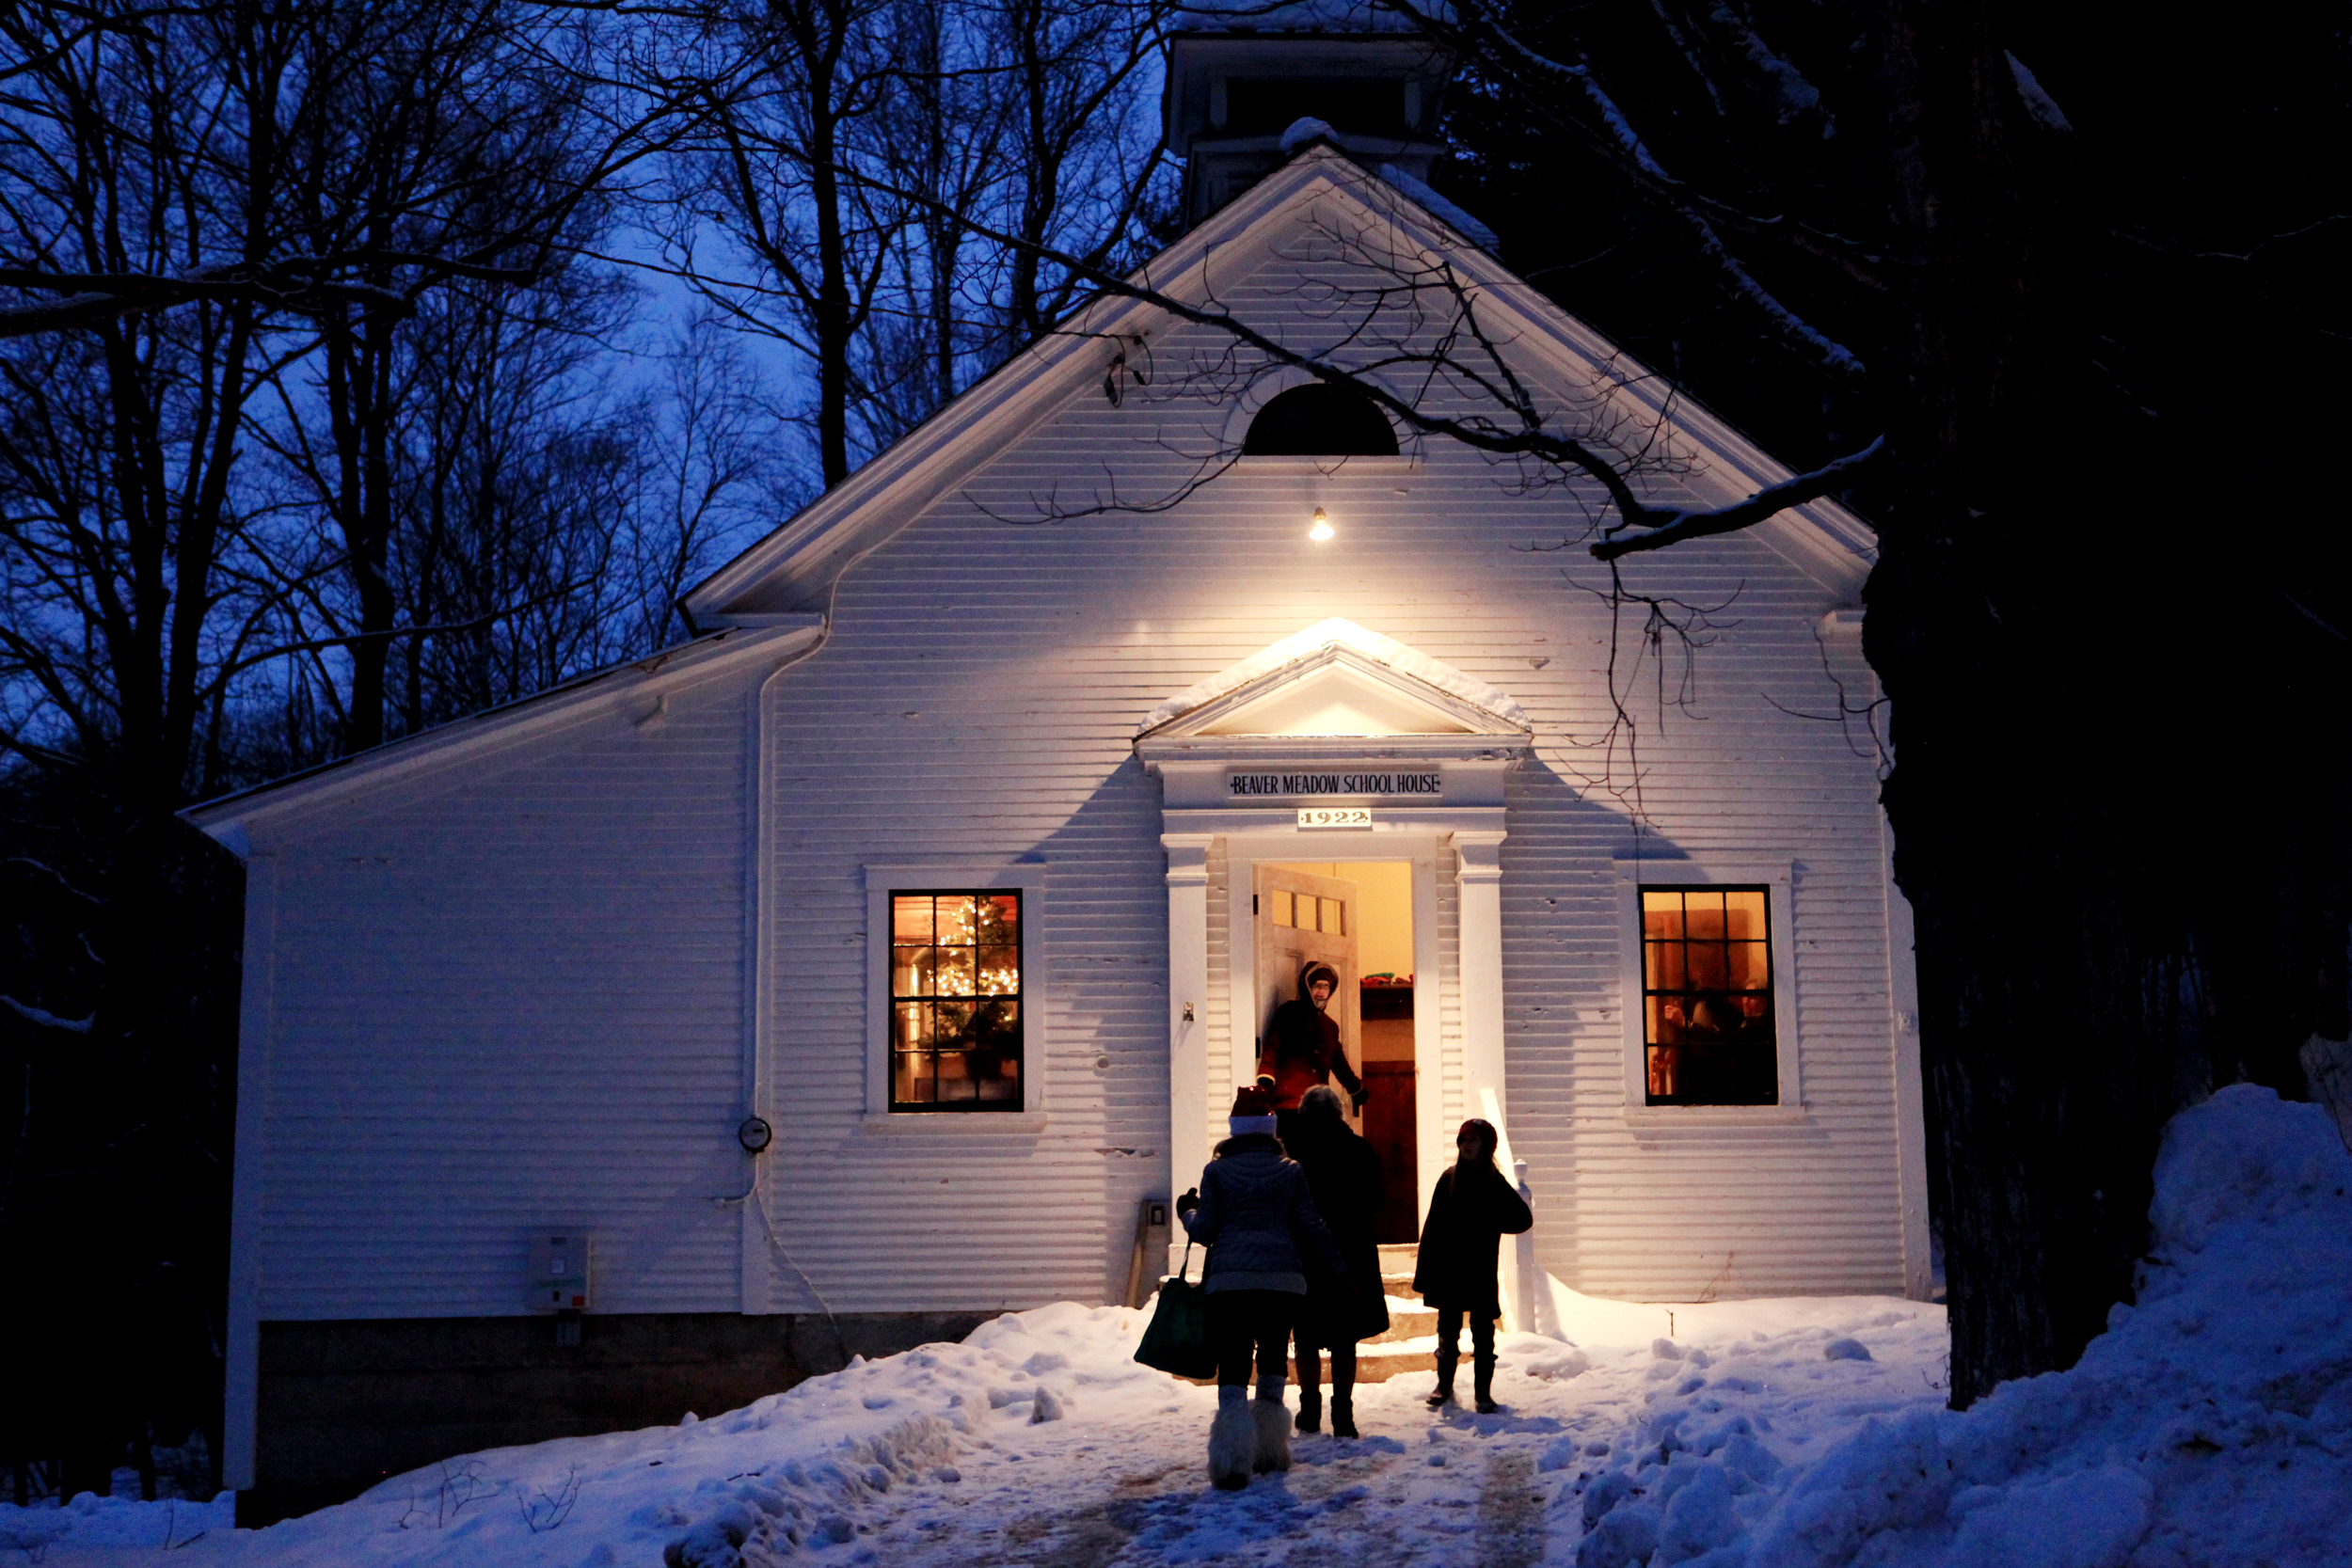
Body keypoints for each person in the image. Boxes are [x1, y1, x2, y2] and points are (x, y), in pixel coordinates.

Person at [1176, 1084, 1348, 1489]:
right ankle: (1270, 1452)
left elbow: (1204, 1231)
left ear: (1235, 1129)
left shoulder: (1216, 1172)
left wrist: (1188, 1211)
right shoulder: (1290, 1171)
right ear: (1270, 1129)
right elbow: (1311, 1227)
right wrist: (1340, 1271)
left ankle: (1233, 1461)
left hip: (1231, 1284)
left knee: (1234, 1364)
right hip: (1282, 1283)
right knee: (1272, 1360)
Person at [1284, 1085, 1389, 1438]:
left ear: (1304, 1114)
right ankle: (1343, 1414)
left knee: (1307, 1337)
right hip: (1352, 1252)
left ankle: (1310, 1409)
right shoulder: (1360, 1149)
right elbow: (1375, 1198)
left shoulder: (1294, 1153)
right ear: (1338, 1113)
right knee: (1346, 1339)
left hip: (1306, 1254)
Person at [1411, 1117, 1534, 1414]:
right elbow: (1432, 1227)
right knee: (1447, 1333)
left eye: (1474, 1140)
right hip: (1449, 1270)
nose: (1467, 1146)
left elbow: (1522, 1218)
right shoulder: (1448, 1179)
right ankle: (1444, 1385)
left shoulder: (1494, 1183)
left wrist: (1491, 1223)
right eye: (1463, 1140)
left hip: (1480, 1271)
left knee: (1483, 1335)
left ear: (1486, 1146)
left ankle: (1483, 1394)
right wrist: (1425, 1272)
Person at [1256, 962, 1366, 1146]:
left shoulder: (1330, 1026)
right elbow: (1273, 1046)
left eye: (1326, 987)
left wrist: (1355, 1089)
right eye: (1317, 986)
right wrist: (1265, 1075)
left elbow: (1338, 1061)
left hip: (1319, 1108)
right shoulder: (1289, 1012)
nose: (1321, 992)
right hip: (1288, 1105)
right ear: (1306, 987)